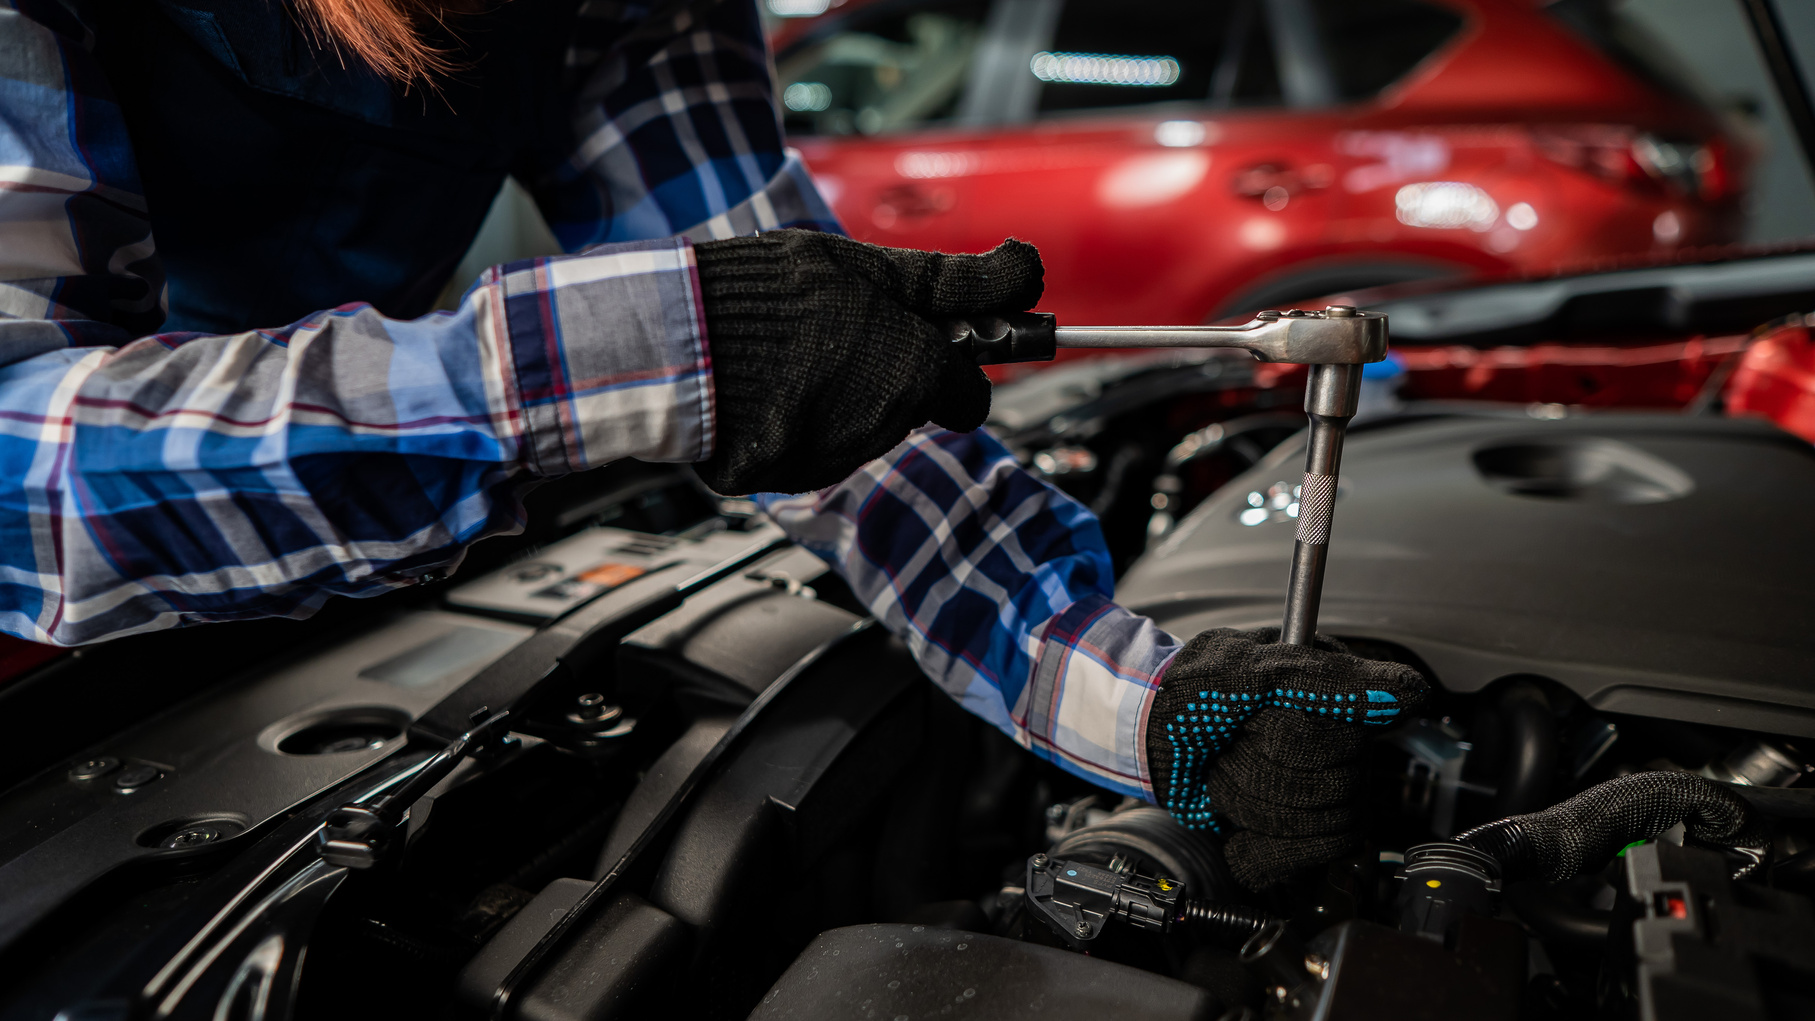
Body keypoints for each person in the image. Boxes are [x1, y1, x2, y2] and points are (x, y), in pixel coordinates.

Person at [0, 0, 1423, 887]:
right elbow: (19, 481)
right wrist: (635, 360)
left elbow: (811, 394)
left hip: (277, 615)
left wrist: (1145, 702)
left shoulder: (619, 9)